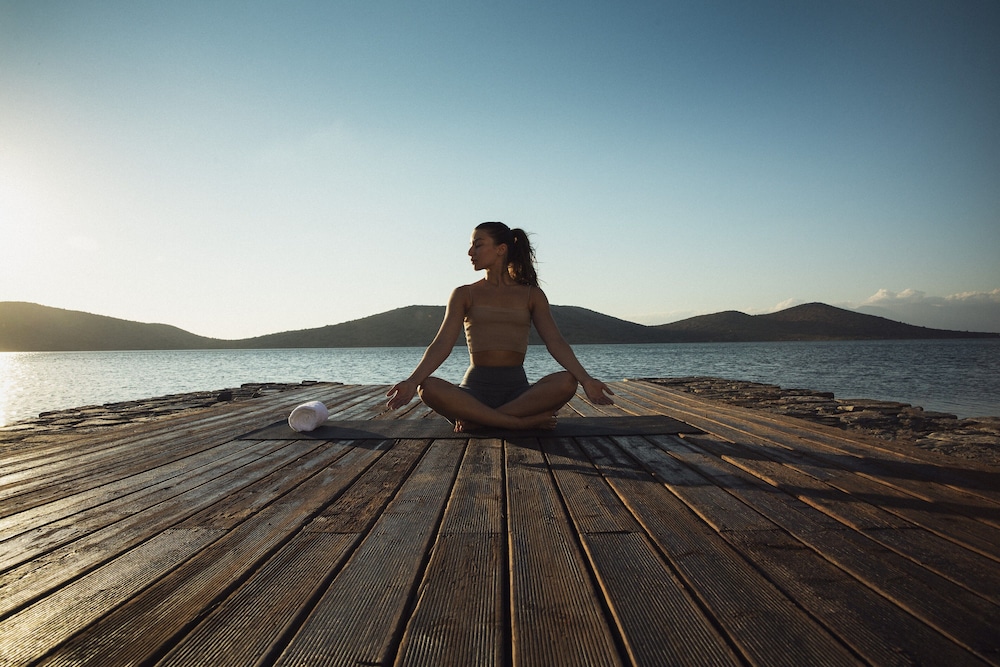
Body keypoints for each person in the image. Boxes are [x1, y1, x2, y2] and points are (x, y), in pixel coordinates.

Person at [386, 221, 614, 431]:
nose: (470, 252)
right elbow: (442, 344)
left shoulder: (532, 295)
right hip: (473, 391)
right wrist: (412, 381)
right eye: (470, 246)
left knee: (566, 381)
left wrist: (586, 380)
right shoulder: (464, 294)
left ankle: (480, 421)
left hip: (518, 393)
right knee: (427, 387)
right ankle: (518, 424)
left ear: (501, 249)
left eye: (478, 245)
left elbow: (555, 342)